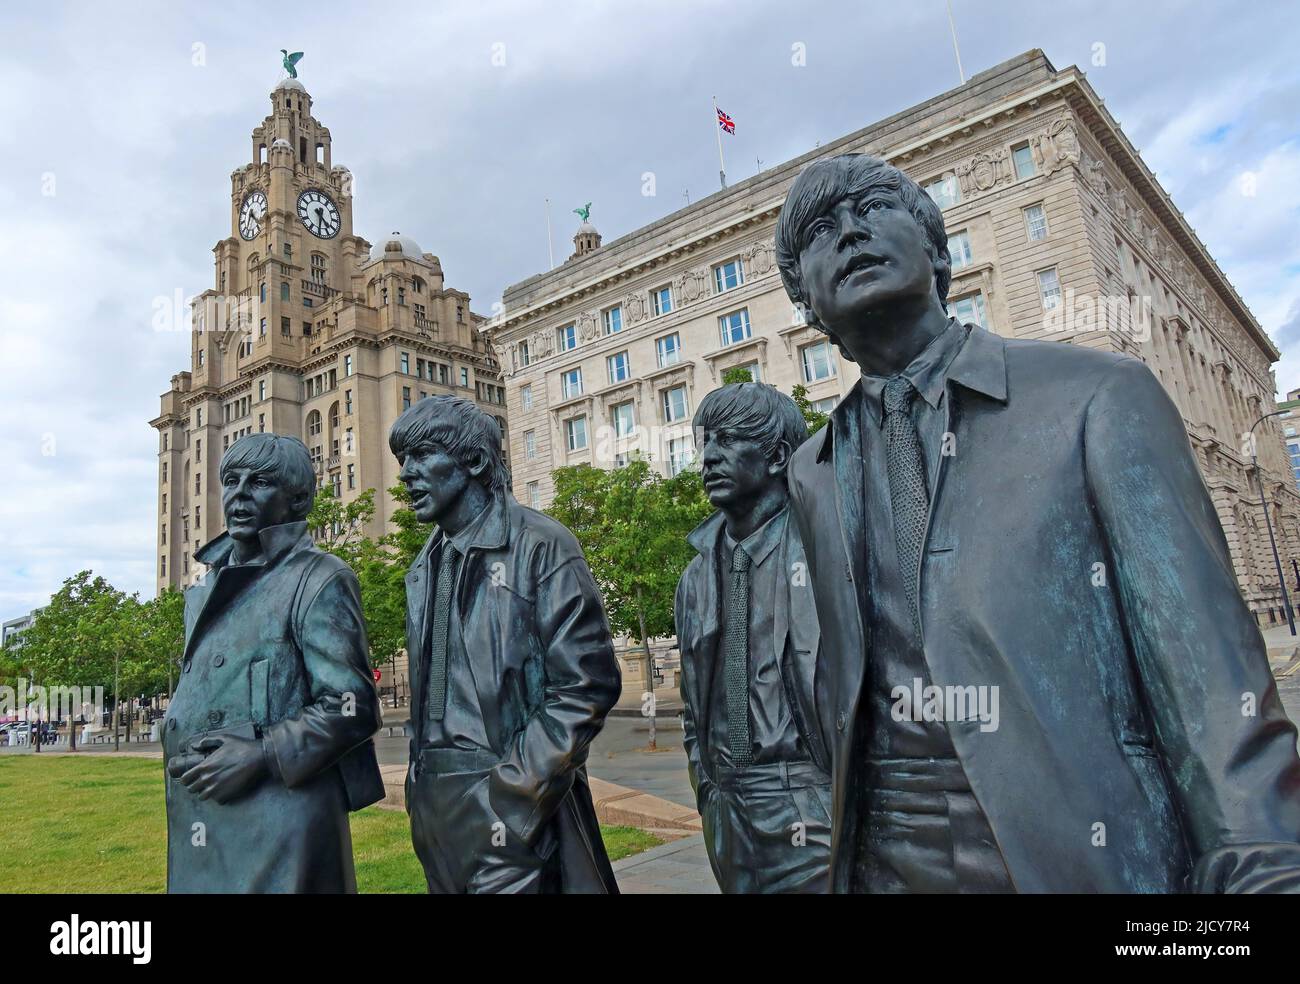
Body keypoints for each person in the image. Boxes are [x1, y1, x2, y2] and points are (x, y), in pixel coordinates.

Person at [774, 152, 1300, 893]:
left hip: (1073, 849)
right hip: (883, 858)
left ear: (936, 248)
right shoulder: (810, 470)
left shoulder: (1096, 397)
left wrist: (1263, 864)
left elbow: (1212, 681)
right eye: (822, 230)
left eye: (875, 209)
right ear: (805, 305)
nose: (852, 232)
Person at [392, 395, 621, 893]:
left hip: (511, 806)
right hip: (437, 812)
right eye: (401, 461)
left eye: (421, 456)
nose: (406, 474)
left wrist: (517, 792)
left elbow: (586, 685)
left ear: (473, 461)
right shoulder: (422, 569)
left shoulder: (541, 544)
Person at [164, 433, 383, 893]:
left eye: (260, 482)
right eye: (232, 480)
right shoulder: (203, 590)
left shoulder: (321, 578)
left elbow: (352, 705)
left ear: (297, 498)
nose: (240, 494)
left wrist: (264, 753)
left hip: (281, 826)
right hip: (205, 815)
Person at [676, 382, 832, 893]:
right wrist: (707, 785)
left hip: (811, 799)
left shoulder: (827, 548)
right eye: (704, 444)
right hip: (727, 808)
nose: (708, 458)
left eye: (726, 441)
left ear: (778, 456)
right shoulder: (696, 576)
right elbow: (692, 703)